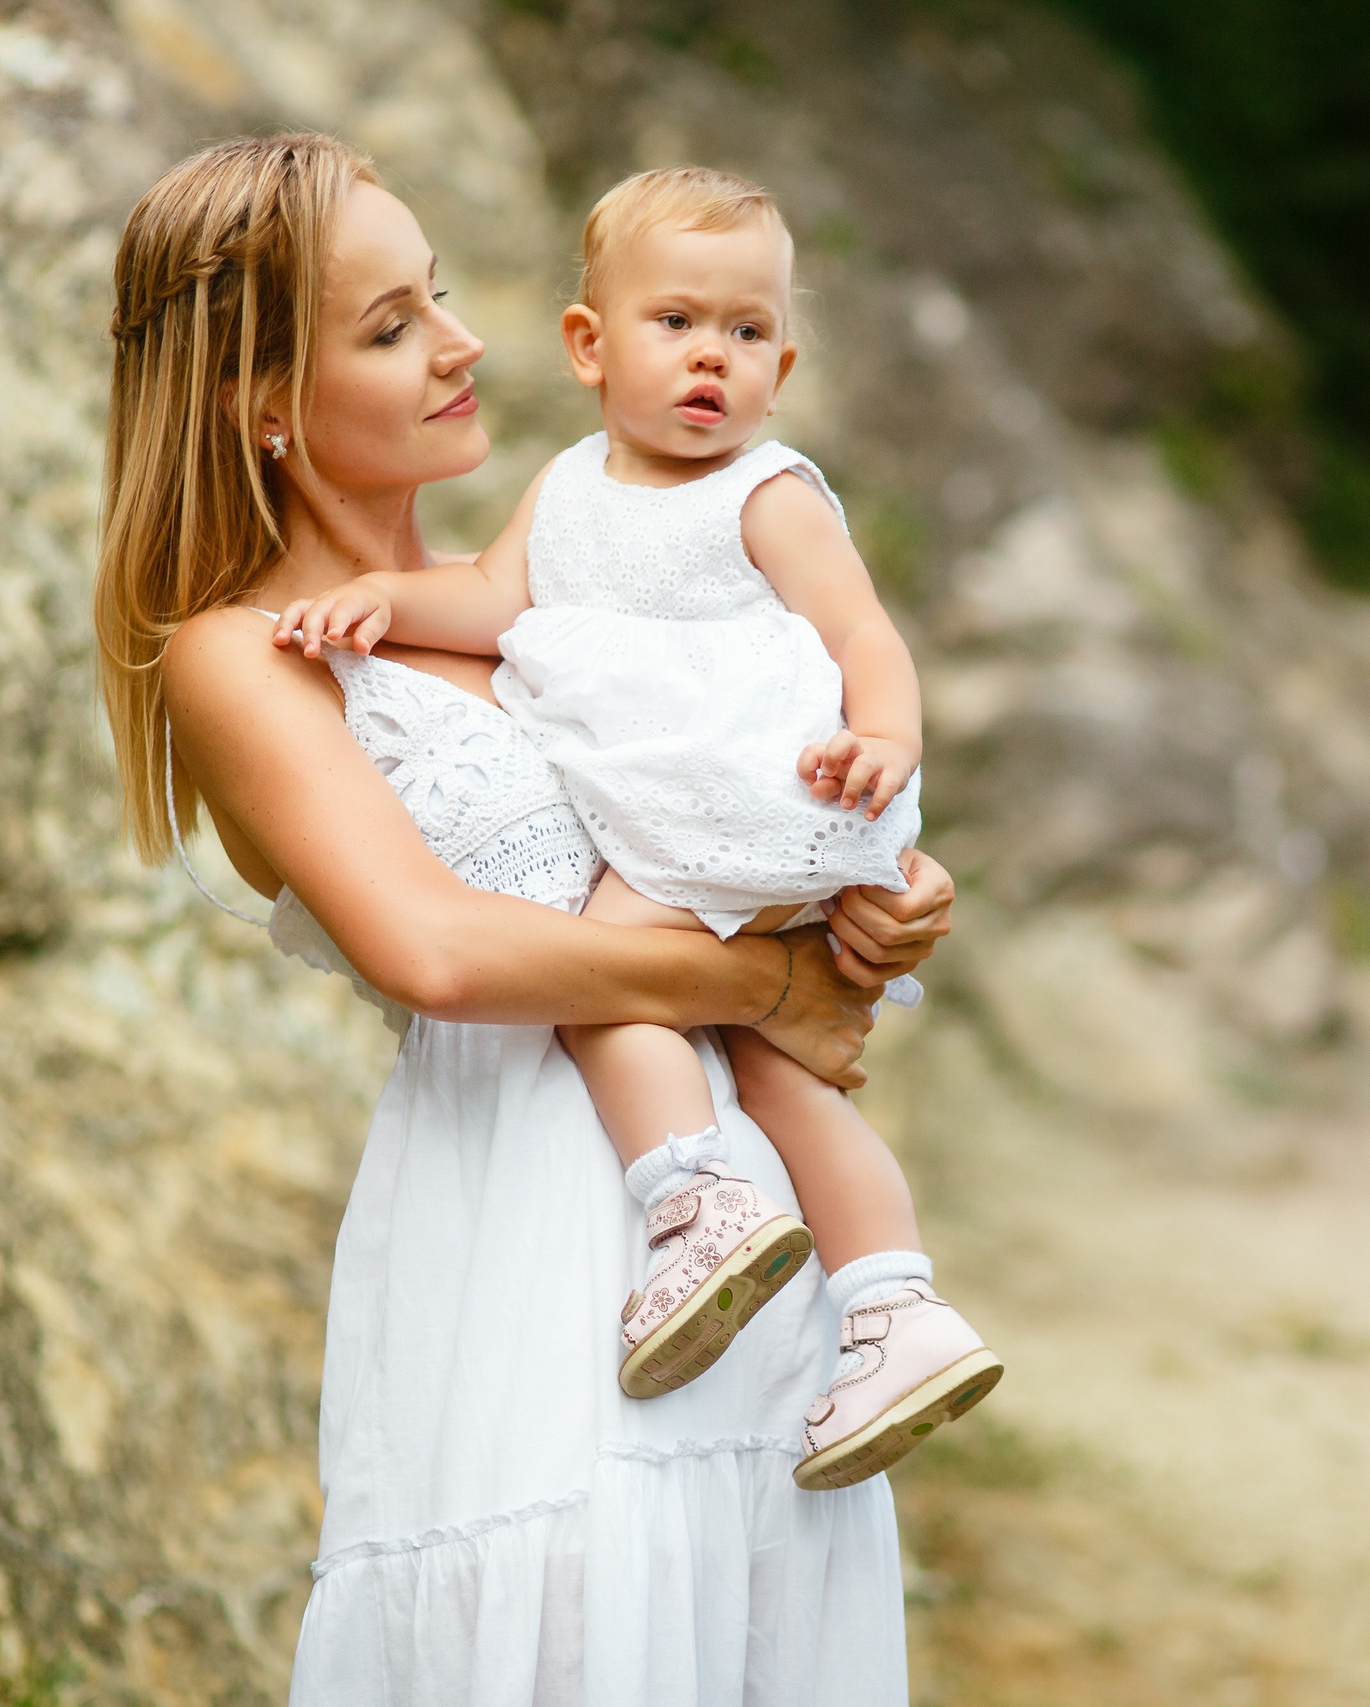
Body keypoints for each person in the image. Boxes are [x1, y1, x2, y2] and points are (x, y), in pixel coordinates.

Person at [95, 132, 946, 1704]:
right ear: (260, 399)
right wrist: (762, 986)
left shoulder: (579, 592)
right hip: (530, 1249)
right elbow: (443, 950)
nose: (461, 344)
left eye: (438, 297)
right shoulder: (242, 655)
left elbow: (758, 803)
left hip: (746, 1231)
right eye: (391, 324)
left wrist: (867, 899)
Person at [273, 165, 998, 1490]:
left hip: (755, 801)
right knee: (780, 1070)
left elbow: (862, 637)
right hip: (697, 830)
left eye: (748, 331)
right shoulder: (566, 493)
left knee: (607, 986)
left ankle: (690, 1196)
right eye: (677, 324)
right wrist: (382, 599)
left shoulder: (766, 493)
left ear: (786, 361)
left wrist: (885, 747)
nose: (714, 357)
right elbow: (498, 604)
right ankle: (894, 1309)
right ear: (591, 347)